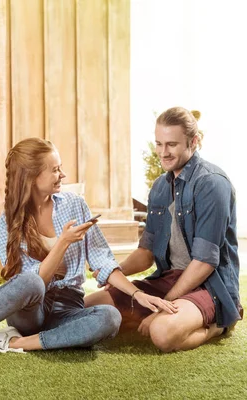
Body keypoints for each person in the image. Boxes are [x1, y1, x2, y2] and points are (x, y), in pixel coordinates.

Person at [0, 138, 176, 359]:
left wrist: (137, 294)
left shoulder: (74, 204)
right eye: (55, 169)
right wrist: (63, 243)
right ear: (32, 177)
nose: (62, 174)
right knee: (31, 280)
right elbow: (35, 283)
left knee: (109, 317)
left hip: (68, 307)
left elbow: (102, 261)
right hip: (30, 311)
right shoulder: (7, 221)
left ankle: (14, 343)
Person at [85, 107, 242, 352]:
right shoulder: (160, 186)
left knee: (161, 333)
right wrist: (114, 273)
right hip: (168, 280)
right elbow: (146, 253)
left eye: (171, 144)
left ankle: (220, 324)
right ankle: (160, 316)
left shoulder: (212, 184)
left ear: (194, 141)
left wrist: (163, 305)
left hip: (208, 285)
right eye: (158, 143)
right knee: (88, 307)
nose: (163, 152)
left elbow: (204, 263)